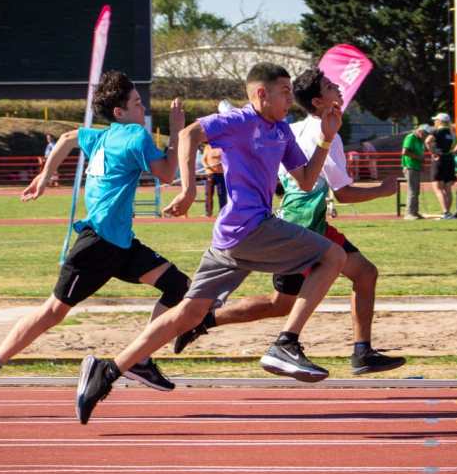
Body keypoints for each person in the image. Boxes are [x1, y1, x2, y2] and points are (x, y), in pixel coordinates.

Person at [74, 62, 348, 425]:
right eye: (284, 92)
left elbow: (307, 180)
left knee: (189, 314)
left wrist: (326, 139)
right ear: (261, 94)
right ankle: (287, 342)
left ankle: (108, 370)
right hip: (250, 228)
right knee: (333, 256)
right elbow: (190, 134)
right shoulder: (238, 120)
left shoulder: (281, 130)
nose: (289, 99)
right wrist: (189, 189)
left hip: (233, 237)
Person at [0, 70, 209, 418]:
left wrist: (45, 176)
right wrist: (175, 131)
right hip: (98, 246)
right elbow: (168, 174)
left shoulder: (101, 137)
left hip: (120, 244)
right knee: (53, 312)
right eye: (137, 103)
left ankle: (140, 358)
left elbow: (66, 138)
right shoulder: (135, 135)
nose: (143, 109)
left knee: (178, 287)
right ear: (120, 112)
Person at [173, 67, 405, 375]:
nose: (339, 89)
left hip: (292, 218)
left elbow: (298, 177)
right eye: (330, 86)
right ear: (318, 101)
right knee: (358, 271)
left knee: (281, 303)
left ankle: (205, 321)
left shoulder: (293, 128)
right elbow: (343, 193)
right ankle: (320, 346)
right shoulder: (325, 134)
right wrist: (383, 190)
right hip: (303, 223)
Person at [424, 113, 457, 219]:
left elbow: (427, 141)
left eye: (436, 120)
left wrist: (433, 153)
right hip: (449, 160)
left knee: (438, 188)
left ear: (440, 121)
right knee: (447, 188)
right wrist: (453, 152)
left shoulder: (436, 131)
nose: (434, 122)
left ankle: (446, 213)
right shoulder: (452, 132)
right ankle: (448, 213)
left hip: (439, 160)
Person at [401, 125, 429, 220]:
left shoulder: (420, 140)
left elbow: (420, 153)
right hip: (410, 167)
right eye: (425, 134)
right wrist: (419, 158)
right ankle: (409, 213)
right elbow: (405, 152)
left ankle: (415, 212)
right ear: (420, 131)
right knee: (412, 191)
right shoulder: (411, 137)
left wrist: (422, 162)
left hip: (416, 167)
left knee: (416, 191)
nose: (425, 137)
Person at [202, 142, 226, 216]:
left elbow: (226, 158)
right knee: (208, 193)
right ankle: (208, 213)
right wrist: (207, 166)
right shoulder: (207, 147)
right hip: (210, 173)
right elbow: (203, 160)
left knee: (221, 193)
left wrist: (223, 162)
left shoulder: (222, 147)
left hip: (220, 173)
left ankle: (222, 212)